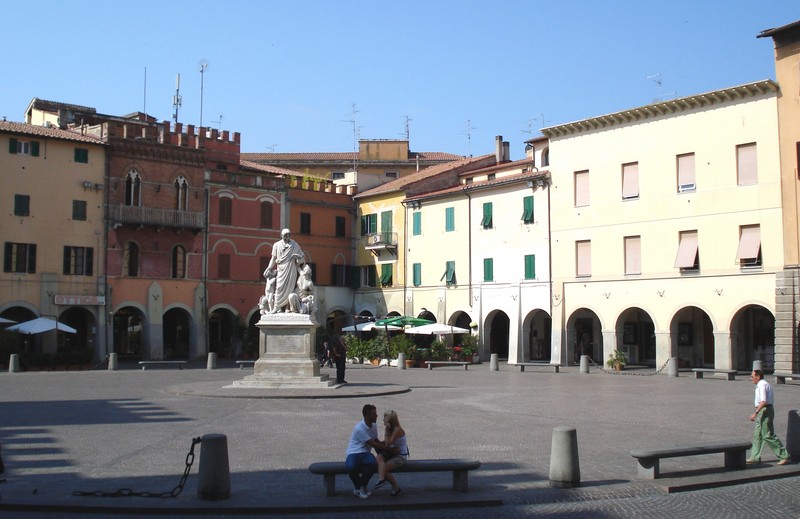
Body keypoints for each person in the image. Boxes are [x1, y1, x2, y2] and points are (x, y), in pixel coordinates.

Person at [747, 369, 790, 465]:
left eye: (752, 376)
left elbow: (763, 401)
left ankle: (783, 455)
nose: (751, 378)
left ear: (758, 376)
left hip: (765, 410)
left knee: (768, 435)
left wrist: (755, 413)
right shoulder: (762, 384)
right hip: (763, 409)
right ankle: (755, 456)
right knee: (758, 435)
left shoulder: (762, 385)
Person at [345, 404, 383, 499]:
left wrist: (382, 451)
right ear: (367, 416)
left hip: (365, 452)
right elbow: (373, 444)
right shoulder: (359, 428)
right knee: (351, 467)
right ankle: (359, 488)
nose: (377, 416)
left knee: (373, 464)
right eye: (374, 414)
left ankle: (360, 487)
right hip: (354, 452)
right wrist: (389, 449)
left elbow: (375, 440)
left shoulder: (374, 425)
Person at [264, 229, 305, 313]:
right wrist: (268, 268)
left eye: (288, 235)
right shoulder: (276, 245)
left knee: (290, 289)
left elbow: (302, 258)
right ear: (281, 236)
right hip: (281, 269)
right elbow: (273, 259)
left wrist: (298, 258)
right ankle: (277, 307)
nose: (287, 237)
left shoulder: (294, 244)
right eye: (285, 236)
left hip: (291, 269)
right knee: (278, 287)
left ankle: (287, 307)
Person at [374, 409, 408, 496]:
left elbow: (387, 444)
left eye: (384, 417)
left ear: (389, 420)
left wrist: (386, 430)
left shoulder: (397, 430)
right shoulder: (393, 429)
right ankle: (381, 479)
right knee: (379, 458)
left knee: (384, 469)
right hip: (394, 453)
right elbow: (387, 443)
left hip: (401, 457)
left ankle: (396, 488)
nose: (383, 419)